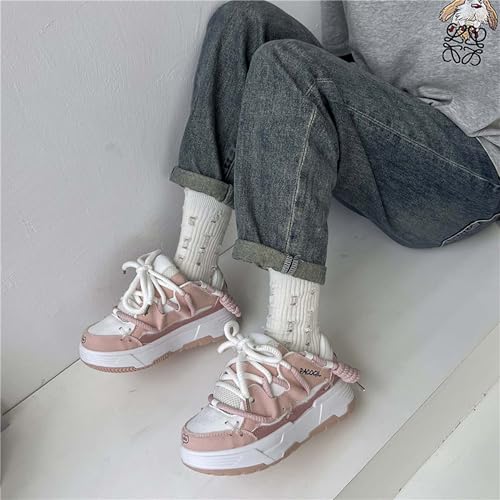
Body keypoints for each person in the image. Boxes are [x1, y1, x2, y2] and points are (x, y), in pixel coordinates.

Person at [79, 1, 500, 475]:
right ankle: (195, 276)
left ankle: (300, 355)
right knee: (242, 22)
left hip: (467, 167)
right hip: (384, 131)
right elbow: (344, 54)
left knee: (290, 65)